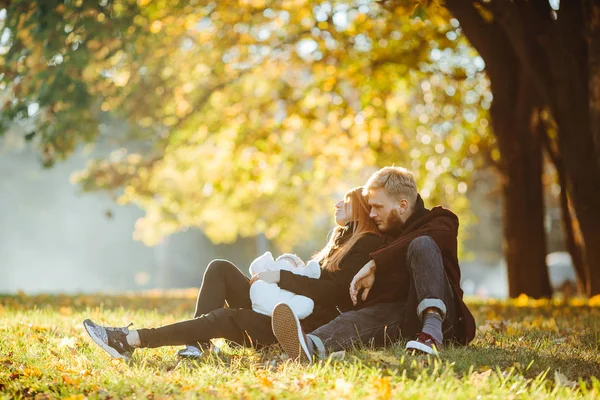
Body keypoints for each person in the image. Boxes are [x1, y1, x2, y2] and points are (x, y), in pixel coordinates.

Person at [82, 186, 387, 361]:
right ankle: (198, 344)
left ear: (360, 209)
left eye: (345, 202)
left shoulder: (367, 243)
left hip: (292, 326)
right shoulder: (343, 239)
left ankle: (129, 340)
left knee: (222, 319)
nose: (337, 204)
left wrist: (279, 278)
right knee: (221, 269)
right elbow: (316, 277)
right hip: (282, 307)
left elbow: (331, 291)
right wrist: (289, 266)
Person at [271, 166, 476, 362]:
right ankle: (310, 346)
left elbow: (432, 236)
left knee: (421, 244)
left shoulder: (439, 221)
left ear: (402, 205)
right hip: (405, 319)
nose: (371, 214)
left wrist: (375, 263)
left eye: (378, 207)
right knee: (359, 317)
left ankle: (432, 332)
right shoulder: (385, 236)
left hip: (446, 323)